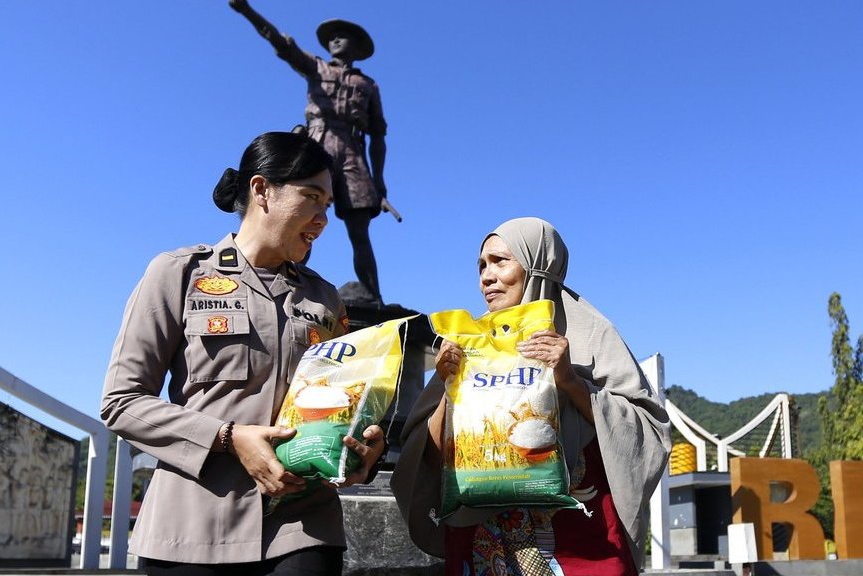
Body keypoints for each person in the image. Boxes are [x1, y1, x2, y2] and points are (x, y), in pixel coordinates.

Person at [101, 131, 386, 576]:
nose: (322, 217)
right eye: (311, 197)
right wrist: (229, 438)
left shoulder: (326, 299)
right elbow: (121, 403)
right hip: (192, 527)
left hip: (302, 525)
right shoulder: (178, 273)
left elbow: (342, 406)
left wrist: (364, 451)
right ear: (261, 191)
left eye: (327, 205)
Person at [391, 217, 671, 576]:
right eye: (481, 266)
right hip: (482, 539)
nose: (486, 277)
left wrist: (569, 379)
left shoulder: (592, 337)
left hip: (580, 542)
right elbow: (420, 453)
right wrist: (448, 390)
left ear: (538, 265)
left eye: (500, 261)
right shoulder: (469, 343)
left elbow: (648, 432)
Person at [229, 0, 388, 304]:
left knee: (359, 231)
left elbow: (378, 134)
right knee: (303, 217)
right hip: (315, 146)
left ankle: (373, 296)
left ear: (355, 46)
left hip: (353, 154)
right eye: (333, 36)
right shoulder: (316, 67)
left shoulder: (367, 85)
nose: (335, 40)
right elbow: (282, 44)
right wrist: (247, 10)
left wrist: (379, 183)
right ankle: (291, 286)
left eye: (343, 36)